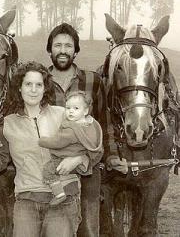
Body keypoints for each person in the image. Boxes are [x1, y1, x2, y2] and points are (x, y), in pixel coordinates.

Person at [0, 61, 84, 237]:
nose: (33, 89)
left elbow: (93, 147)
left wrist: (78, 159)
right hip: (27, 201)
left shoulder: (62, 115)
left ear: (45, 88)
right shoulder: (8, 124)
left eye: (39, 85)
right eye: (28, 84)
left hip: (63, 200)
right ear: (19, 88)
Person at [46, 23, 128, 237]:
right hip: (52, 165)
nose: (63, 50)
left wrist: (110, 156)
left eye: (68, 45)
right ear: (50, 49)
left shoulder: (92, 80)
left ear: (75, 50)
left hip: (88, 166)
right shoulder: (39, 82)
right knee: (53, 226)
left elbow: (104, 121)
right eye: (57, 45)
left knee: (89, 229)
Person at [38, 91, 103, 206]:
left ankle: (59, 194)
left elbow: (57, 142)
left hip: (66, 156)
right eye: (68, 108)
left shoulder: (71, 129)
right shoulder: (91, 124)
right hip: (81, 156)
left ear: (86, 111)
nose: (71, 111)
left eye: (76, 108)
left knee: (48, 170)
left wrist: (42, 141)